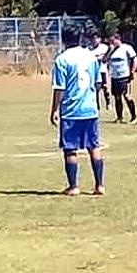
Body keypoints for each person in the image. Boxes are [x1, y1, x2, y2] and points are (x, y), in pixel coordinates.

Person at [50, 26, 105, 196]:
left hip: (71, 111)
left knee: (70, 149)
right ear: (80, 38)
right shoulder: (91, 56)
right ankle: (99, 185)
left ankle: (74, 186)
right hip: (90, 110)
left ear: (64, 39)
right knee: (94, 146)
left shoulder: (62, 59)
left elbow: (59, 88)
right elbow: (97, 83)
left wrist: (54, 110)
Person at [106, 33, 137, 124]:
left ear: (118, 39)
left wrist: (132, 71)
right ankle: (119, 117)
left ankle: (134, 117)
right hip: (114, 77)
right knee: (117, 97)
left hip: (124, 76)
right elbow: (105, 60)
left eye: (113, 41)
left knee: (126, 96)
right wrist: (109, 51)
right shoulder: (112, 50)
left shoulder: (126, 48)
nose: (111, 43)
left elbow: (135, 59)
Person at [88, 33, 111, 111]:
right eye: (93, 39)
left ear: (99, 39)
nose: (94, 40)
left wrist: (97, 57)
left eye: (96, 38)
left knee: (105, 87)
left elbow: (103, 57)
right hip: (93, 72)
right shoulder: (89, 49)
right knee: (95, 89)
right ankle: (97, 107)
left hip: (102, 70)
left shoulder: (103, 47)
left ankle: (108, 102)